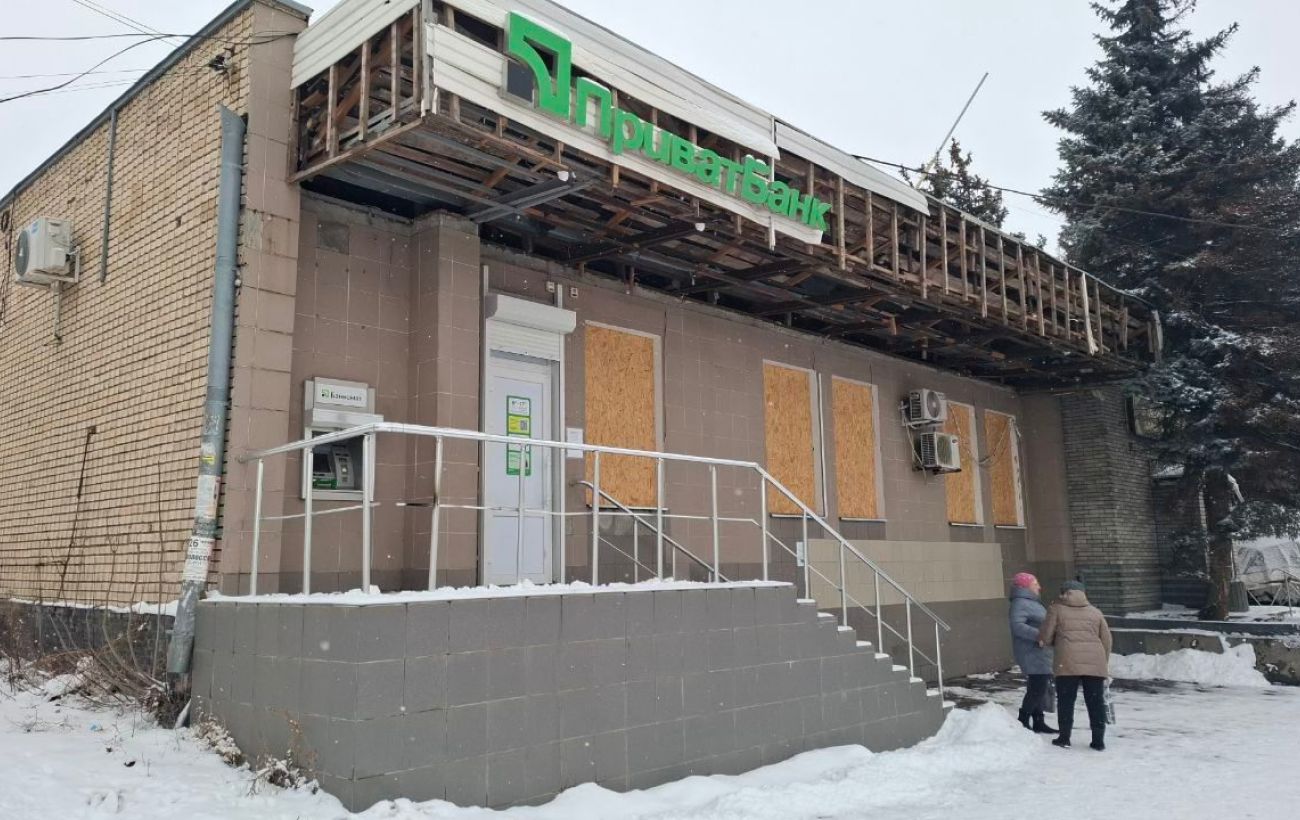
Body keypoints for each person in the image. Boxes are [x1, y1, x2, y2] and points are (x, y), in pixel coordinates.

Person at [1038, 580, 1113, 751]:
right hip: (1094, 662)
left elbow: (1046, 636)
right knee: (1095, 702)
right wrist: (1103, 661)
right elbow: (1107, 640)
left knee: (1066, 701)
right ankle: (1098, 741)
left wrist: (1049, 641)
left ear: (1064, 593)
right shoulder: (1095, 612)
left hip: (1067, 662)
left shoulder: (1056, 609)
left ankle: (1064, 737)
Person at [1007, 572, 1056, 734]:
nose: (1039, 587)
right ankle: (1023, 720)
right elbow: (1017, 626)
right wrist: (1040, 636)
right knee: (1038, 687)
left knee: (1038, 687)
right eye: (1035, 584)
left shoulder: (1032, 602)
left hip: (1039, 651)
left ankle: (1038, 721)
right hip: (1031, 652)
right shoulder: (1020, 603)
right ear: (1025, 586)